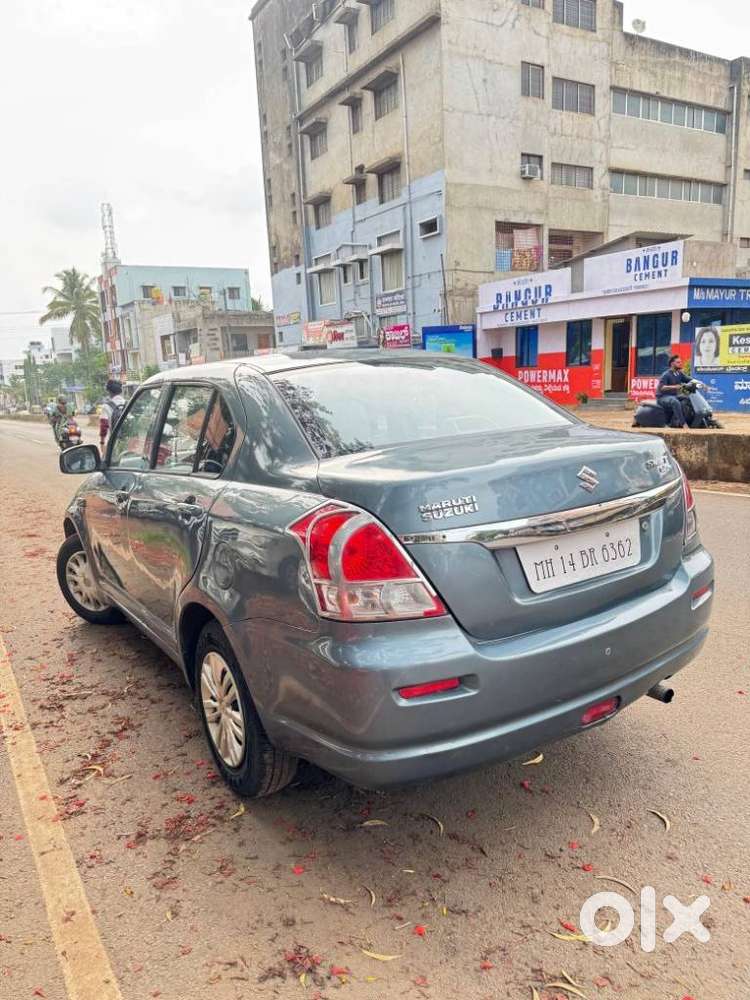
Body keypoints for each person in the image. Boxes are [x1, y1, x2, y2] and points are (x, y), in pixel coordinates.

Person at [657, 355, 691, 428]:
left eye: (680, 362)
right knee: (675, 401)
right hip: (662, 397)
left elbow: (689, 379)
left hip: (673, 396)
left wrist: (701, 384)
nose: (680, 363)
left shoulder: (679, 373)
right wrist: (674, 387)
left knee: (688, 398)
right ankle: (683, 424)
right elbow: (662, 388)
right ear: (672, 364)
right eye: (678, 362)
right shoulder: (666, 375)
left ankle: (678, 420)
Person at [99, 378, 126, 450]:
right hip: (128, 442)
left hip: (114, 442)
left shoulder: (106, 407)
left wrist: (102, 443)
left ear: (109, 391)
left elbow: (103, 427)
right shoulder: (127, 403)